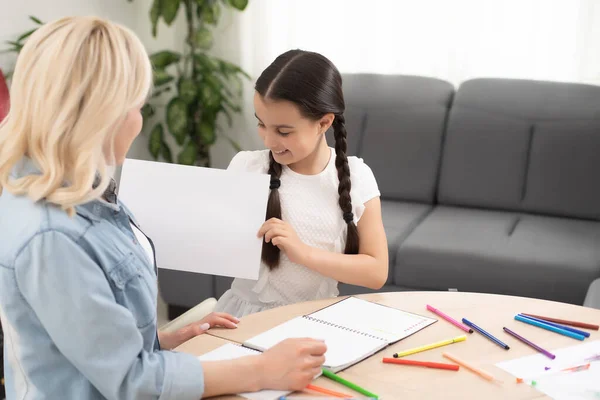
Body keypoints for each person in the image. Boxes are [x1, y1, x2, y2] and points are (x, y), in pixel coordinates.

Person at [0, 17, 326, 400]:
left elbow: (83, 341)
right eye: (137, 106)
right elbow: (131, 382)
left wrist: (162, 341)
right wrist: (263, 370)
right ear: (105, 114)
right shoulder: (53, 236)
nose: (139, 121)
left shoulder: (75, 192)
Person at [215, 50, 389, 318]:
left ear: (324, 123)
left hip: (316, 322)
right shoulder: (247, 168)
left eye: (283, 131)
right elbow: (219, 247)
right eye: (262, 124)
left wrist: (303, 253)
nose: (268, 142)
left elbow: (376, 272)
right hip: (243, 319)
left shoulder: (357, 177)